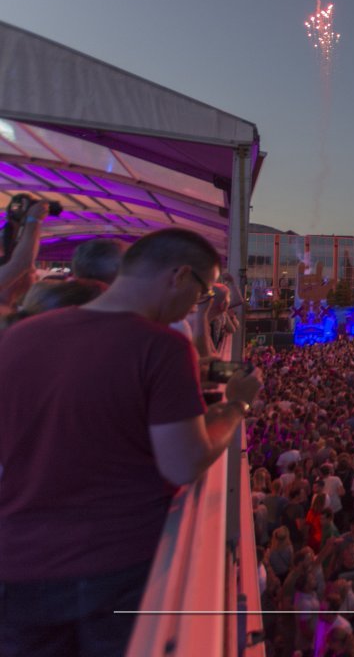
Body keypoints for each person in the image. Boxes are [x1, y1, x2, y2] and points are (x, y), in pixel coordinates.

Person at [0, 227, 263, 657]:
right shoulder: (161, 347)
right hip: (117, 569)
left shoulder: (19, 335)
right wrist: (237, 406)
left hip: (18, 567)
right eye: (201, 293)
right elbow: (183, 462)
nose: (197, 305)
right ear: (179, 276)